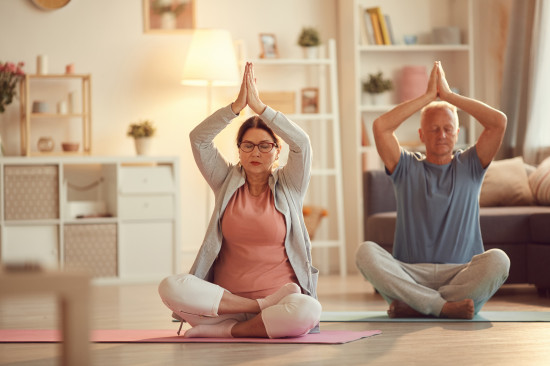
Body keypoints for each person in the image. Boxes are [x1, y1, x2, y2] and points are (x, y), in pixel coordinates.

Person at [158, 62, 321, 338]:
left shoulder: (290, 185)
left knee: (309, 310)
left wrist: (260, 108)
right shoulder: (225, 181)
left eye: (264, 145)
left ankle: (226, 333)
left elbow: (302, 143)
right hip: (222, 306)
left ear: (277, 151)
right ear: (240, 150)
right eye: (248, 145)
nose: (255, 152)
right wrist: (236, 107)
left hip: (279, 305)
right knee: (170, 286)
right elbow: (198, 139)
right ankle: (247, 316)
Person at [355, 61, 510, 319]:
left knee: (499, 260)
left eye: (448, 129)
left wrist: (449, 96)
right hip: (410, 274)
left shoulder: (471, 164)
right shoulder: (404, 166)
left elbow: (498, 122)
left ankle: (417, 305)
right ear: (421, 135)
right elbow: (381, 127)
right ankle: (443, 307)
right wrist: (427, 98)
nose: (441, 134)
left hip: (460, 274)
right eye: (433, 129)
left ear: (457, 133)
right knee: (365, 253)